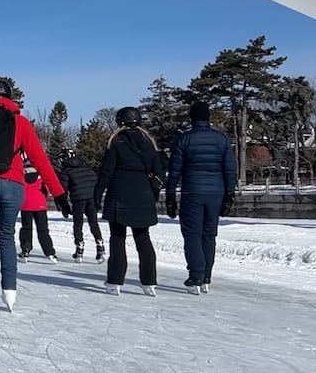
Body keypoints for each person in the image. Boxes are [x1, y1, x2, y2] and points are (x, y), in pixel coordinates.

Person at [0, 79, 68, 314]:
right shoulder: (21, 122)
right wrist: (58, 192)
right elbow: (39, 159)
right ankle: (9, 290)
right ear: (10, 98)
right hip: (14, 184)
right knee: (6, 236)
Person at [164, 101, 238, 294]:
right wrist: (230, 193)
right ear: (208, 117)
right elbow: (230, 169)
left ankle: (196, 273)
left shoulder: (184, 139)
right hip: (216, 192)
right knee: (208, 234)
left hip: (193, 191)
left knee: (192, 233)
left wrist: (170, 194)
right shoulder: (221, 140)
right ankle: (206, 275)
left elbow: (174, 170)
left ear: (192, 118)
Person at [94, 107, 165, 297]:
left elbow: (106, 171)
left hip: (119, 193)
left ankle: (115, 281)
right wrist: (154, 192)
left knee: (118, 238)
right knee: (143, 238)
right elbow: (159, 171)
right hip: (143, 194)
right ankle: (149, 281)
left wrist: (97, 194)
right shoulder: (149, 142)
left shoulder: (116, 141)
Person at [58, 149, 105, 263]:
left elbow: (63, 190)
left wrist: (63, 204)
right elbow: (95, 181)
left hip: (79, 199)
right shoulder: (87, 167)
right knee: (93, 223)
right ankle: (100, 247)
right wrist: (97, 199)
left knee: (78, 224)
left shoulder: (66, 171)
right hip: (91, 197)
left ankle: (79, 248)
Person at [18, 159, 59, 263]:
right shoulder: (40, 175)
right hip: (40, 205)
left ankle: (25, 250)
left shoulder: (21, 174)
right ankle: (50, 252)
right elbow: (46, 189)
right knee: (43, 230)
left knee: (26, 228)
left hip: (26, 205)